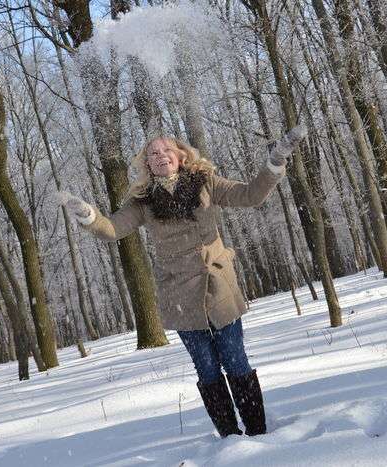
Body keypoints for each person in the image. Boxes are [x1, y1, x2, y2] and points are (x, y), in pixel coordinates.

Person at [57, 125, 307, 437]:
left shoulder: (206, 184)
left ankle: (258, 432)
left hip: (219, 286)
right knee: (207, 367)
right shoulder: (143, 203)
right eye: (152, 154)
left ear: (180, 157)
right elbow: (111, 229)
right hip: (179, 294)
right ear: (147, 164)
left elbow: (252, 195)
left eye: (165, 151)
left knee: (235, 358)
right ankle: (230, 438)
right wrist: (87, 214)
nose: (159, 156)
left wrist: (276, 160)